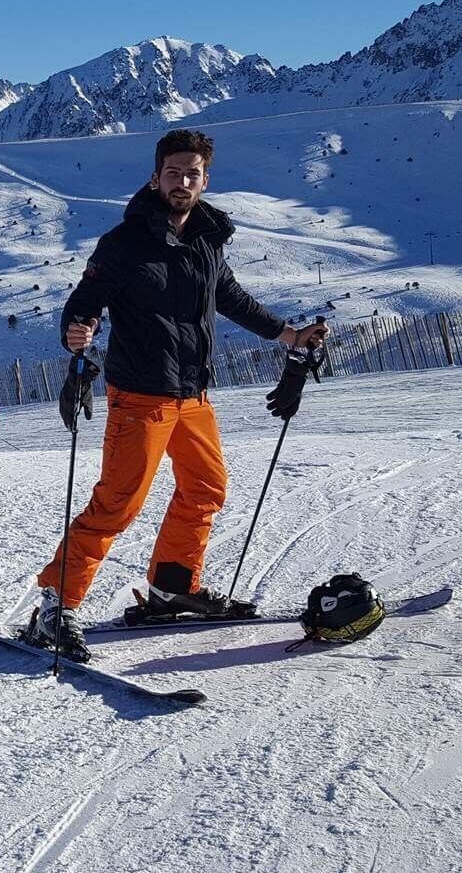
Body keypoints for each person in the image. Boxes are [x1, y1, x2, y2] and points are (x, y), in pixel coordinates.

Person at [27, 129, 328, 661]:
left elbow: (230, 298)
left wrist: (288, 335)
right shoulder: (124, 243)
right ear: (155, 176)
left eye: (192, 174)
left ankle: (171, 588)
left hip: (193, 396)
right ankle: (55, 605)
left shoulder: (207, 240)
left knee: (205, 490)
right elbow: (86, 300)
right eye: (173, 172)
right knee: (117, 505)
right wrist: (79, 330)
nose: (182, 182)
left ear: (205, 180)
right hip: (139, 397)